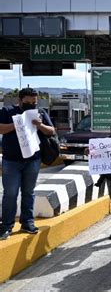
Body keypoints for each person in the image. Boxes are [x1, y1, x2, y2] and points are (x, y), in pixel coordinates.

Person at [0, 88, 55, 240]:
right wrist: (17, 124)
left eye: (34, 103)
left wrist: (40, 125)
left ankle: (27, 222)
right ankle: (6, 226)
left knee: (29, 192)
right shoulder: (7, 111)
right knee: (10, 193)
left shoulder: (40, 113)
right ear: (20, 100)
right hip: (11, 160)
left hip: (32, 160)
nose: (31, 105)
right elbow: (1, 128)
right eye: (28, 102)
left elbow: (51, 131)